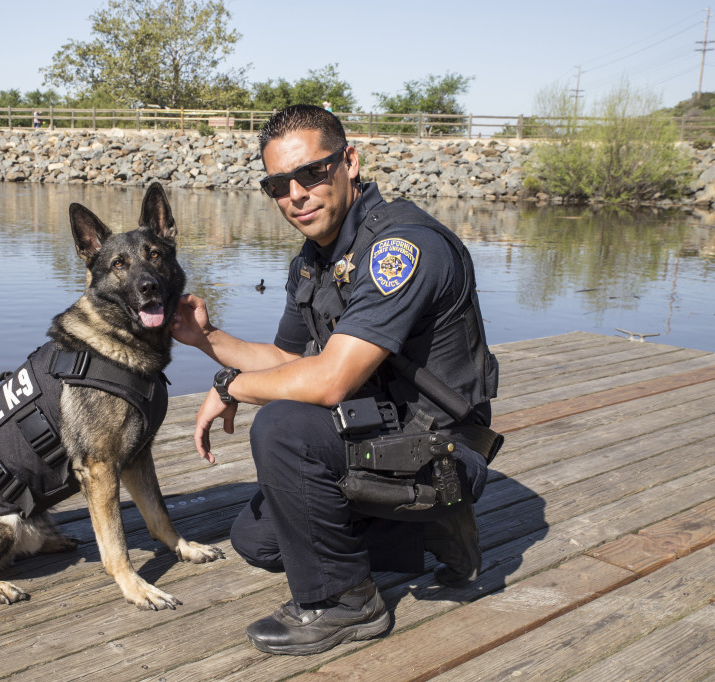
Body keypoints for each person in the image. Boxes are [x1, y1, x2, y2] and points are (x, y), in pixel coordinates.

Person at [172, 104, 501, 656]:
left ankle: (346, 603)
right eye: (278, 184)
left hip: (441, 448)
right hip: (380, 435)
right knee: (256, 541)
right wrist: (207, 339)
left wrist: (229, 387)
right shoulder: (316, 258)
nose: (295, 194)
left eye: (312, 173)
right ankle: (424, 530)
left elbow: (326, 382)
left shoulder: (401, 248)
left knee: (282, 428)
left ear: (350, 161)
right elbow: (283, 356)